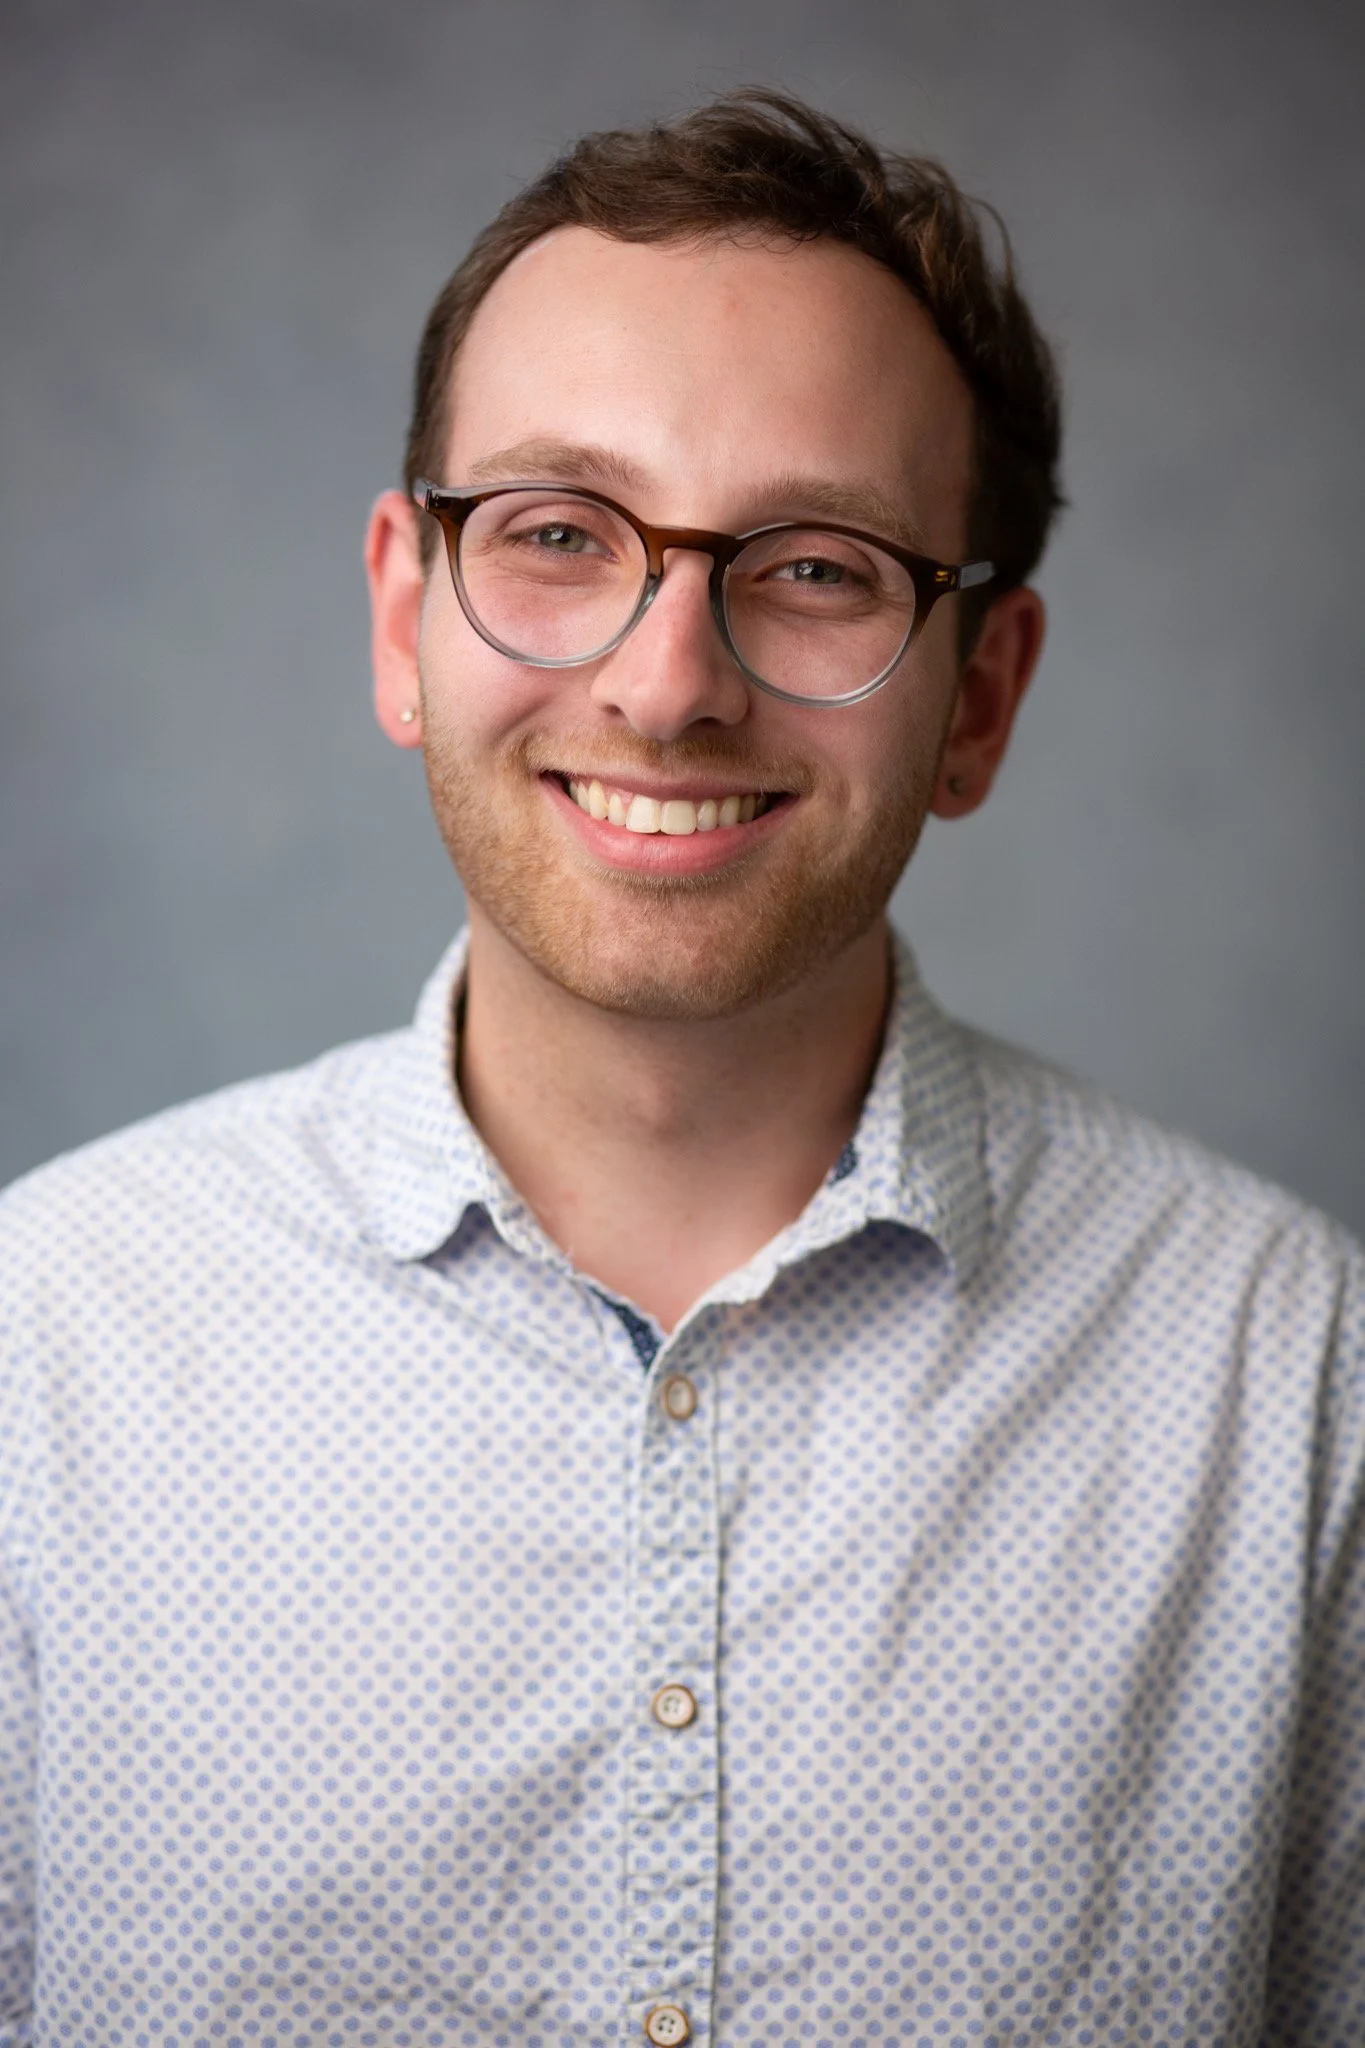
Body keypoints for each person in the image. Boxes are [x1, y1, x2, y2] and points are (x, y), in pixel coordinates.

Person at [1, 88, 1360, 2048]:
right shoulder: (44, 1357)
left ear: (978, 698)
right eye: (557, 533)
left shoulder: (1297, 1387)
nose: (666, 679)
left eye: (815, 567)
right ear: (404, 613)